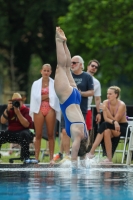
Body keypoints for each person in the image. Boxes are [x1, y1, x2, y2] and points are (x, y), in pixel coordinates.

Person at [54, 27, 90, 168]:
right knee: (60, 67)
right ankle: (59, 41)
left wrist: (83, 160)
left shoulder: (85, 135)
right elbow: (74, 153)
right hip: (68, 98)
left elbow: (83, 155)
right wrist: (74, 165)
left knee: (67, 68)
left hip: (75, 96)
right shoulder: (78, 136)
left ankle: (64, 43)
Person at [54, 55, 94, 162]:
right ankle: (67, 154)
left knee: (80, 137)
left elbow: (92, 92)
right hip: (70, 107)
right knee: (65, 132)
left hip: (78, 108)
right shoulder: (68, 75)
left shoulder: (87, 77)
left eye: (74, 63)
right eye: (71, 62)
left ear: (81, 65)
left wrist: (81, 93)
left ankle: (77, 156)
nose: (72, 64)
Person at [87, 86, 129, 164]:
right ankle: (109, 159)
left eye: (110, 94)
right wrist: (114, 122)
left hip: (122, 127)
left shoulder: (121, 105)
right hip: (110, 125)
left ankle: (91, 152)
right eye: (107, 94)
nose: (108, 95)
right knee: (106, 131)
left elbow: (116, 119)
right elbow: (106, 118)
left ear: (116, 95)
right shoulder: (106, 102)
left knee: (104, 125)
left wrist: (106, 110)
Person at [29, 64, 60, 166]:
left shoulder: (54, 83)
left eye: (48, 71)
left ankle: (51, 158)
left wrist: (43, 97)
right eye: (44, 70)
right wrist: (47, 97)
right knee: (38, 135)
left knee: (51, 134)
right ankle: (36, 158)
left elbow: (54, 98)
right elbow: (35, 98)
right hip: (39, 109)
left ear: (51, 72)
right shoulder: (36, 84)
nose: (46, 72)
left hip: (50, 109)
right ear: (41, 71)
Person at [0, 93, 34, 162]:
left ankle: (25, 157)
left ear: (22, 102)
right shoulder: (9, 110)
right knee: (0, 134)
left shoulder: (26, 110)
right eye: (15, 102)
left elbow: (26, 125)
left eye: (18, 101)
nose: (16, 103)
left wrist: (18, 113)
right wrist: (7, 110)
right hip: (11, 133)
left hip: (24, 132)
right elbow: (2, 121)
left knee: (24, 134)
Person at [86, 60, 101, 149]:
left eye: (96, 67)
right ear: (88, 66)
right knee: (69, 131)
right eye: (92, 65)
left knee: (87, 131)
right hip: (74, 108)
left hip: (87, 108)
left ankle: (85, 151)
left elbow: (97, 99)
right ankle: (66, 153)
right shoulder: (79, 77)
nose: (94, 68)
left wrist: (99, 112)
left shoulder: (96, 82)